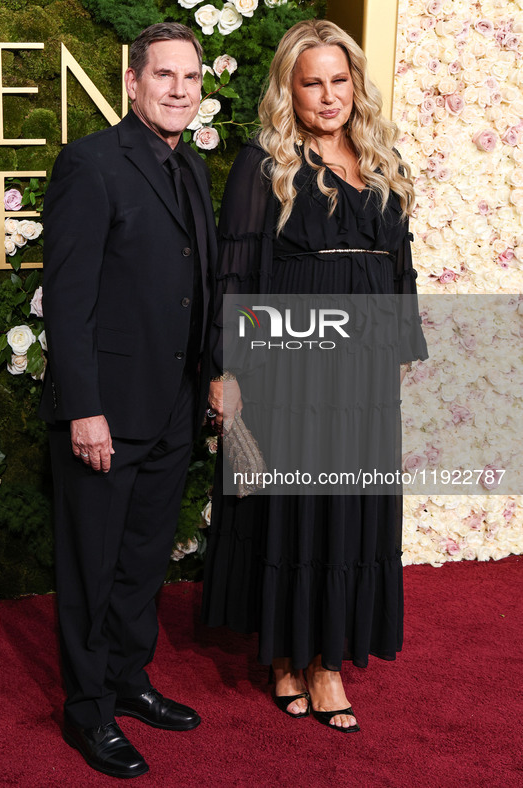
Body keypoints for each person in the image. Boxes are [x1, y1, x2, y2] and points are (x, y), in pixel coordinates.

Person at [203, 19, 427, 732]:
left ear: (353, 83)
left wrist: (395, 346)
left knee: (352, 511)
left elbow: (400, 266)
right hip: (289, 368)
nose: (328, 96)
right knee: (294, 509)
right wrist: (226, 370)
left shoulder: (382, 157)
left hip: (361, 375)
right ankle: (285, 656)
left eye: (338, 80)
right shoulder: (263, 162)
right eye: (311, 83)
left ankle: (326, 661)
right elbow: (233, 268)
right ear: (288, 91)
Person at [39, 23, 217, 778]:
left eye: (190, 78)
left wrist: (209, 374)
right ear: (132, 83)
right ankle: (88, 711)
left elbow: (195, 285)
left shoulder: (195, 168)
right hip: (106, 408)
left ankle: (127, 679)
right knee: (92, 564)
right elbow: (68, 300)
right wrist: (84, 407)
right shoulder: (91, 164)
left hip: (173, 401)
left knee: (143, 559)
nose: (179, 90)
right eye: (164, 76)